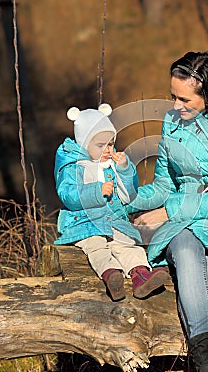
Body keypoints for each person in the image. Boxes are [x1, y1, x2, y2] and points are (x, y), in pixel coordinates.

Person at [130, 51, 208, 371]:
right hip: (184, 227)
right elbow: (163, 185)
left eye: (184, 98)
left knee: (192, 289)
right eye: (173, 96)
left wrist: (169, 211)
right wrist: (124, 199)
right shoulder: (172, 121)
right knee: (186, 245)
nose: (175, 105)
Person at [54, 104, 169, 301]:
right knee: (97, 246)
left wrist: (125, 169)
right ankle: (111, 274)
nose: (108, 149)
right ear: (84, 143)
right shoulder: (73, 166)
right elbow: (68, 195)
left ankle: (141, 274)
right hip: (84, 223)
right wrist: (96, 191)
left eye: (110, 143)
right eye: (101, 145)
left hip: (113, 221)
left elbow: (128, 195)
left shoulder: (110, 164)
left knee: (128, 244)